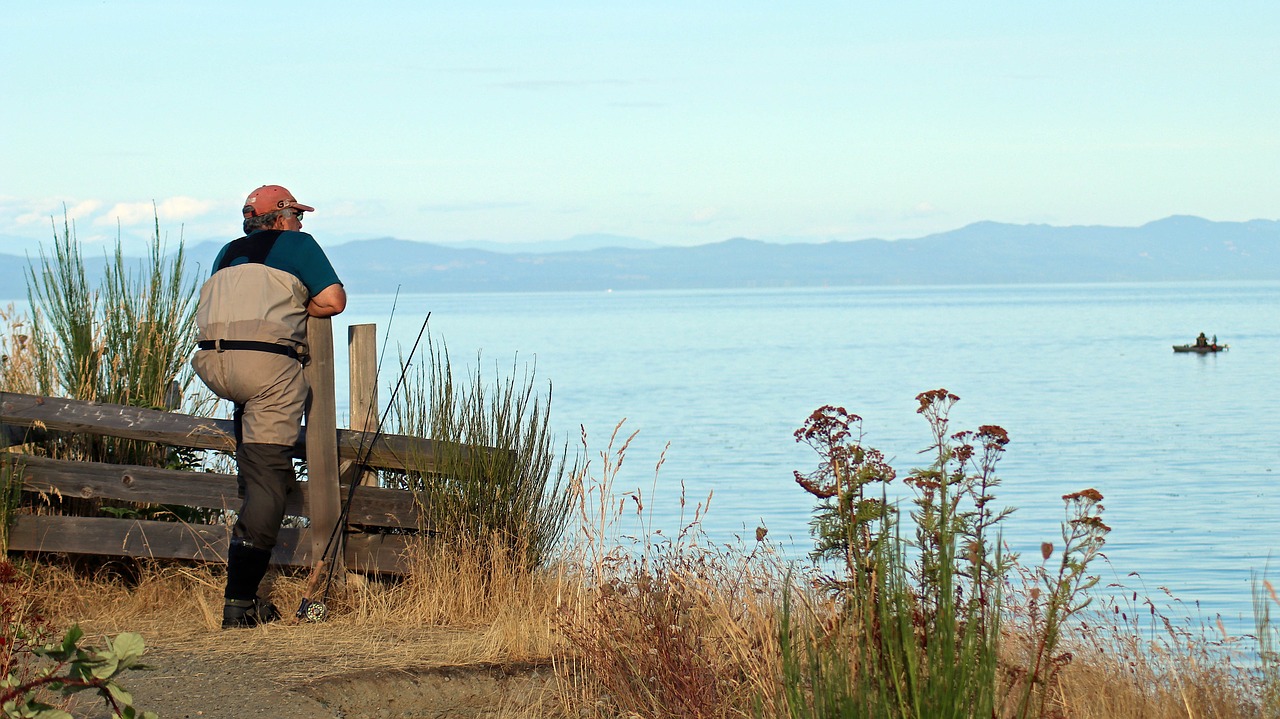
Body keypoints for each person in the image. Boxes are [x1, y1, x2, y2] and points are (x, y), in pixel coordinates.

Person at [192, 184, 346, 628]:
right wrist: (299, 303)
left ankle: (245, 591)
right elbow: (333, 300)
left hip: (213, 362)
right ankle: (239, 603)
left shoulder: (228, 251)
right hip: (265, 366)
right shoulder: (297, 244)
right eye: (297, 215)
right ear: (279, 219)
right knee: (268, 480)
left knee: (251, 468)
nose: (302, 222)